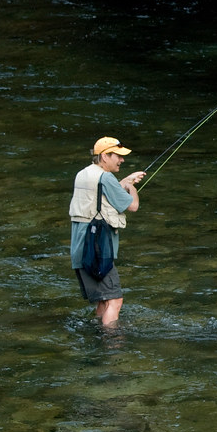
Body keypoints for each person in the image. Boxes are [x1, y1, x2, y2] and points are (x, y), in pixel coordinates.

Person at [68, 136, 146, 326]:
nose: (122, 160)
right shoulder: (105, 177)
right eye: (117, 156)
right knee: (115, 300)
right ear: (104, 156)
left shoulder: (83, 174)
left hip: (80, 250)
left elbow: (99, 195)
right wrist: (130, 187)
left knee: (104, 300)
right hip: (97, 250)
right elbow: (133, 206)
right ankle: (111, 342)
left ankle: (98, 336)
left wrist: (124, 181)